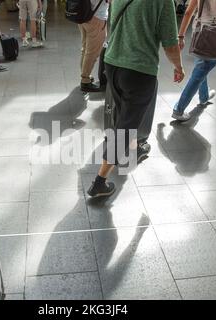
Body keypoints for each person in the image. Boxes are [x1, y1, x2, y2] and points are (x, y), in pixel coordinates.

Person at [87, 0, 185, 198]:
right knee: (127, 124)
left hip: (113, 62)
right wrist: (178, 67)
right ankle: (99, 182)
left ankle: (131, 147)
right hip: (139, 69)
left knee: (123, 112)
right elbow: (170, 43)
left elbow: (113, 24)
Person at [172, 0, 216, 122]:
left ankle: (204, 96)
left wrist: (181, 36)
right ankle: (179, 109)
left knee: (201, 66)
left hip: (199, 31)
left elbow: (189, 12)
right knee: (200, 71)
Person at [79, 0, 110, 92]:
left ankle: (85, 75)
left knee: (86, 49)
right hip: (96, 18)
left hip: (83, 15)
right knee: (92, 53)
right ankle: (85, 80)